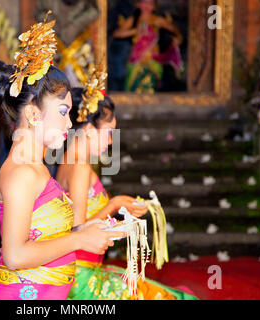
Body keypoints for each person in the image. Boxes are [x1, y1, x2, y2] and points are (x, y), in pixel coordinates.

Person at [0, 18, 125, 300]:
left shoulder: (37, 169)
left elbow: (45, 237)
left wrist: (92, 229)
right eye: (62, 112)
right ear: (33, 114)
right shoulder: (22, 173)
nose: (69, 124)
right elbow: (15, 255)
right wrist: (80, 238)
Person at [56, 81, 198, 300]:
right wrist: (114, 205)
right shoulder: (80, 167)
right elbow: (77, 230)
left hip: (82, 270)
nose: (111, 140)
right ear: (90, 130)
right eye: (109, 132)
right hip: (82, 277)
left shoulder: (68, 161)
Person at [113, 0, 183, 93]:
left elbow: (175, 30)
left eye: (150, 3)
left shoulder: (158, 20)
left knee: (150, 85)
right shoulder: (134, 20)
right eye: (144, 2)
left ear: (154, 6)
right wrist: (134, 31)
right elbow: (117, 33)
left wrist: (178, 39)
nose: (147, 6)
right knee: (134, 85)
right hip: (137, 59)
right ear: (138, 4)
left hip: (153, 58)